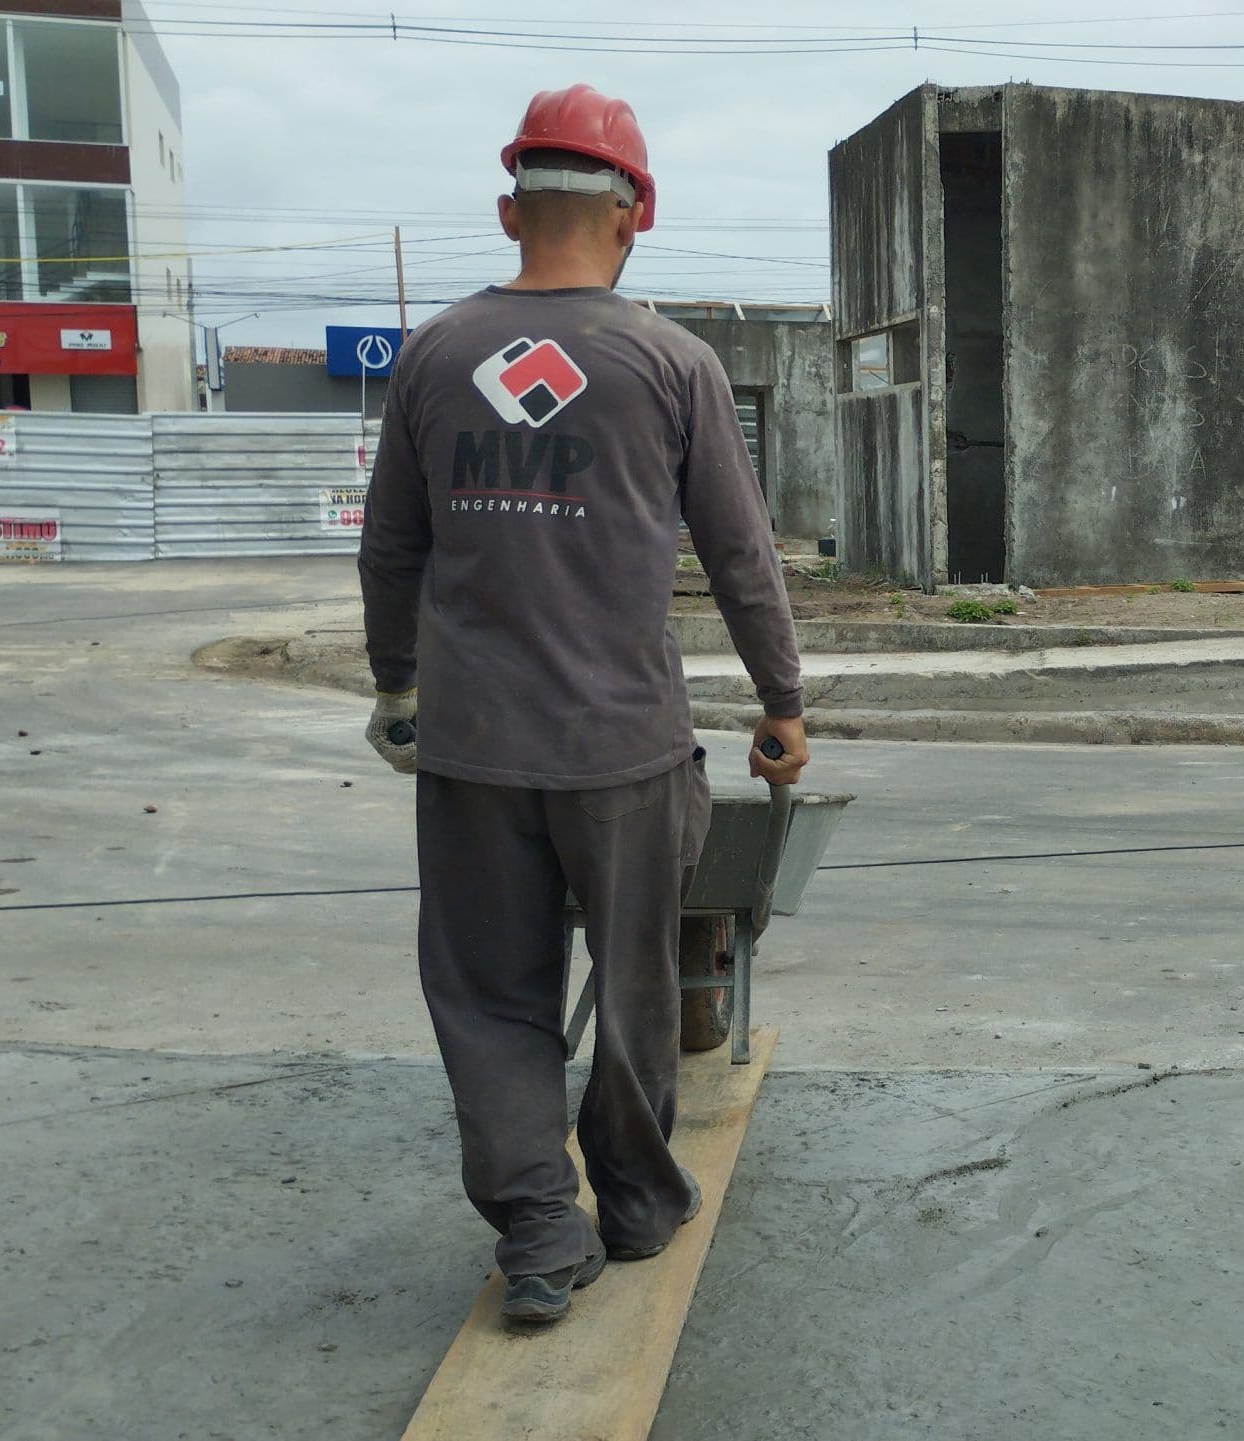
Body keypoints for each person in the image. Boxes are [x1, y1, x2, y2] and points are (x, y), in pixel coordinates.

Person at [356, 83, 807, 1326]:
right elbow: (741, 552)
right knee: (638, 977)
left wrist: (398, 684)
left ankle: (541, 1235)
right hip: (624, 746)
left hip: (474, 744)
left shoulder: (437, 355)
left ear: (511, 211)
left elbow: (389, 550)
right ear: (634, 214)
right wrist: (783, 702)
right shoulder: (672, 362)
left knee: (489, 991)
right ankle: (639, 1202)